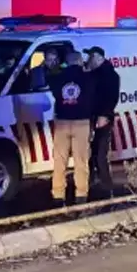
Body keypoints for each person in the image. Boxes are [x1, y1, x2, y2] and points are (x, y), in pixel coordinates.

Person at [47, 51, 95, 204]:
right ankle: (81, 195)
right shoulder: (88, 77)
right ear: (80, 61)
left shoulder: (58, 77)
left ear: (66, 62)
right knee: (81, 161)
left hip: (62, 123)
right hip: (82, 123)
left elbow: (51, 83)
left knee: (60, 161)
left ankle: (58, 194)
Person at [84, 46, 120, 198]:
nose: (88, 60)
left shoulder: (109, 75)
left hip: (103, 118)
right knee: (92, 152)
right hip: (94, 117)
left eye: (91, 57)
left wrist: (104, 115)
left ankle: (107, 186)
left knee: (100, 154)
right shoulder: (97, 73)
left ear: (98, 58)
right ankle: (93, 182)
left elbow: (111, 98)